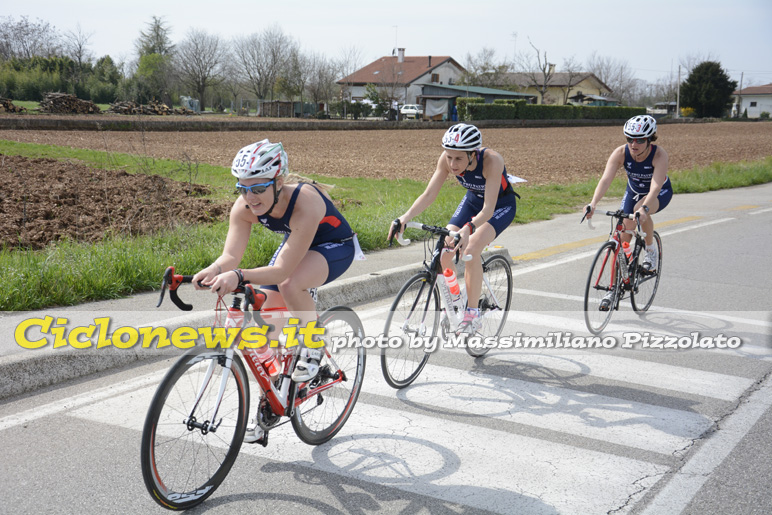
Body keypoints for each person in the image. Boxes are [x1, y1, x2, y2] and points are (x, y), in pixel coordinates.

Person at [193, 139, 359, 386]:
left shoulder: (305, 201)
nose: (250, 197)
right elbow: (230, 257)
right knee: (266, 334)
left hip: (334, 245)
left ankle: (313, 347)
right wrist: (213, 270)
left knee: (291, 284)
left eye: (258, 188)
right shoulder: (244, 207)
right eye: (243, 188)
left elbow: (281, 271)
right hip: (297, 241)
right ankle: (272, 401)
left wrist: (238, 276)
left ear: (278, 183)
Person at [388, 123, 518, 332]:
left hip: (499, 206)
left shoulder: (492, 161)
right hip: (472, 201)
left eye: (458, 158)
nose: (452, 163)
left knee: (471, 248)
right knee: (445, 251)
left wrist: (469, 228)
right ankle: (456, 299)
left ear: (472, 154)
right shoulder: (446, 160)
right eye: (449, 157)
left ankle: (473, 314)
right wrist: (405, 217)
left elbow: (488, 209)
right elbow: (429, 194)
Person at [585, 115, 672, 310]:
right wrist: (593, 203)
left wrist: (644, 209)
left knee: (640, 212)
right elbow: (606, 179)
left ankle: (650, 250)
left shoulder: (659, 155)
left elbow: (656, 187)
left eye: (640, 140)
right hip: (633, 191)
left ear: (649, 139)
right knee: (620, 237)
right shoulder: (620, 153)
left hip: (658, 192)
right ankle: (613, 288)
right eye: (630, 138)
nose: (634, 144)